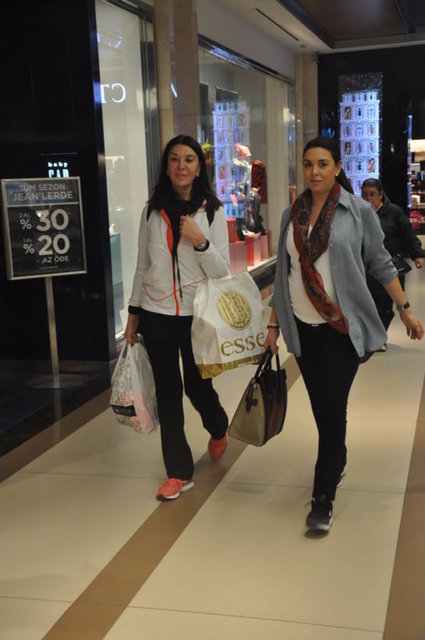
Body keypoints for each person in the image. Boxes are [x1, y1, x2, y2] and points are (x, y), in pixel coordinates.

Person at [264, 136, 424, 533]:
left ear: (337, 167)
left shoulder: (358, 211)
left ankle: (323, 497)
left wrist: (405, 308)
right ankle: (337, 456)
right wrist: (273, 324)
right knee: (322, 407)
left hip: (341, 329)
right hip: (302, 328)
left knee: (333, 406)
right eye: (308, 164)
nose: (314, 172)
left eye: (322, 164)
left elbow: (381, 263)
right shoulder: (291, 214)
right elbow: (284, 273)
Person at [124, 134, 230, 501]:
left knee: (197, 388)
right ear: (166, 167)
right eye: (174, 159)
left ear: (199, 168)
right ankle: (178, 472)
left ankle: (219, 426)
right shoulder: (151, 211)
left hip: (198, 316)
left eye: (189, 159)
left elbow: (222, 272)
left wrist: (201, 241)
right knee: (168, 395)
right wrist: (133, 313)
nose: (181, 166)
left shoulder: (212, 211)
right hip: (156, 315)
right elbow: (143, 266)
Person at [361, 178, 425, 347]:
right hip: (367, 269)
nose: (368, 198)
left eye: (372, 194)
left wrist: (417, 254)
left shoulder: (394, 213)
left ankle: (379, 337)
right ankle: (370, 337)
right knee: (369, 304)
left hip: (391, 267)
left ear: (381, 195)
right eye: (365, 194)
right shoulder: (360, 213)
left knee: (385, 306)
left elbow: (409, 234)